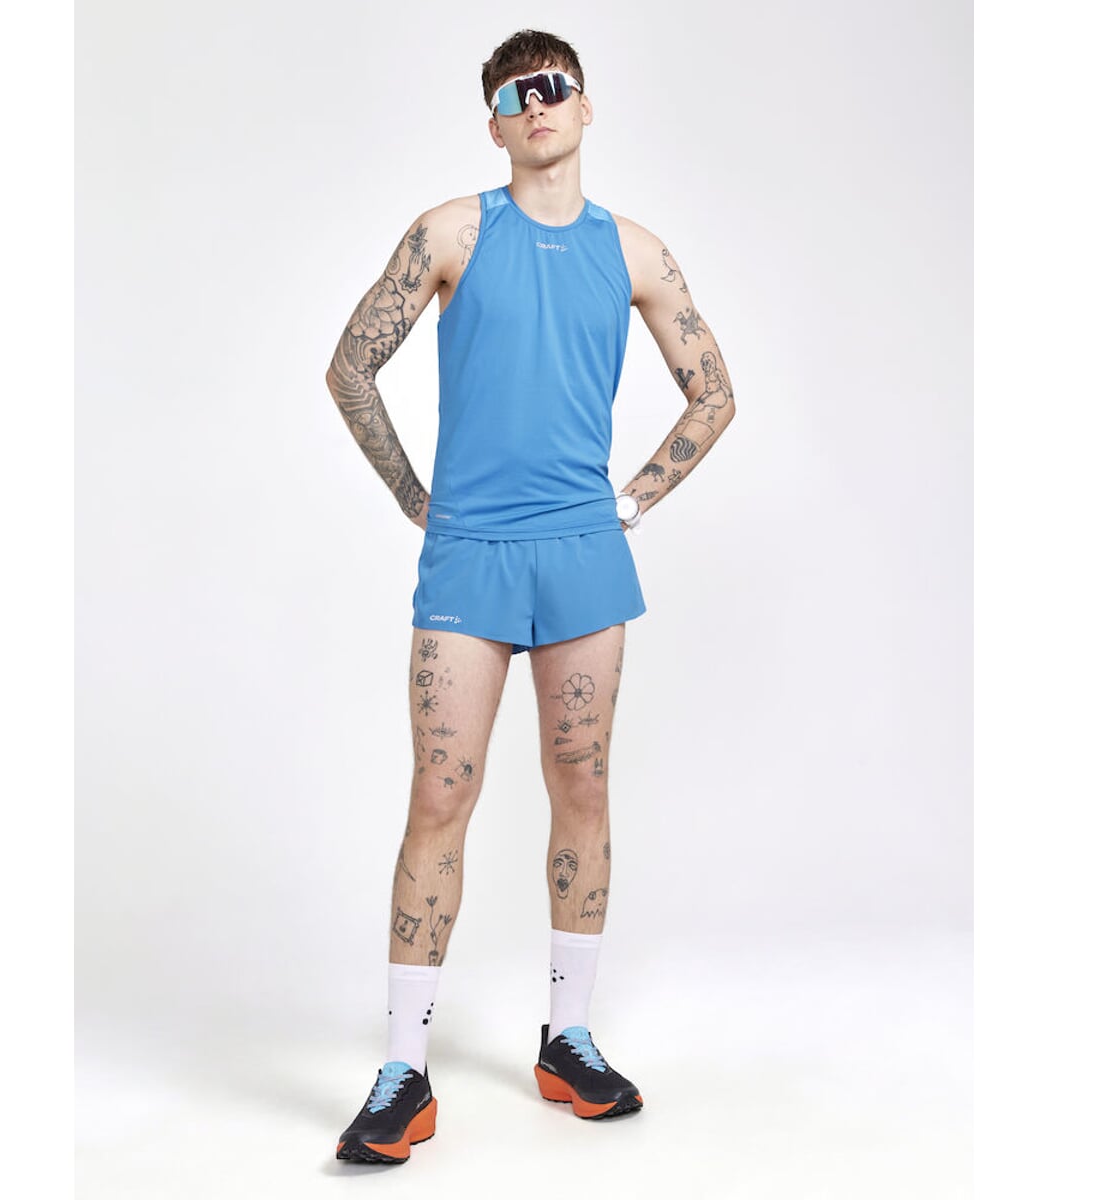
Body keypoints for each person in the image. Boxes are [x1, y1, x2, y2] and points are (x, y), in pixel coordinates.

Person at [326, 28, 736, 1164]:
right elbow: (350, 366)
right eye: (514, 96)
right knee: (440, 795)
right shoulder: (452, 233)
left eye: (552, 87)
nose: (536, 104)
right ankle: (402, 1070)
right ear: (495, 125)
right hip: (471, 554)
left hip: (582, 556)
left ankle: (569, 1039)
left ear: (585, 107)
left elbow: (713, 393)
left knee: (582, 787)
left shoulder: (636, 251)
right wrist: (413, 493)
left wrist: (632, 500)